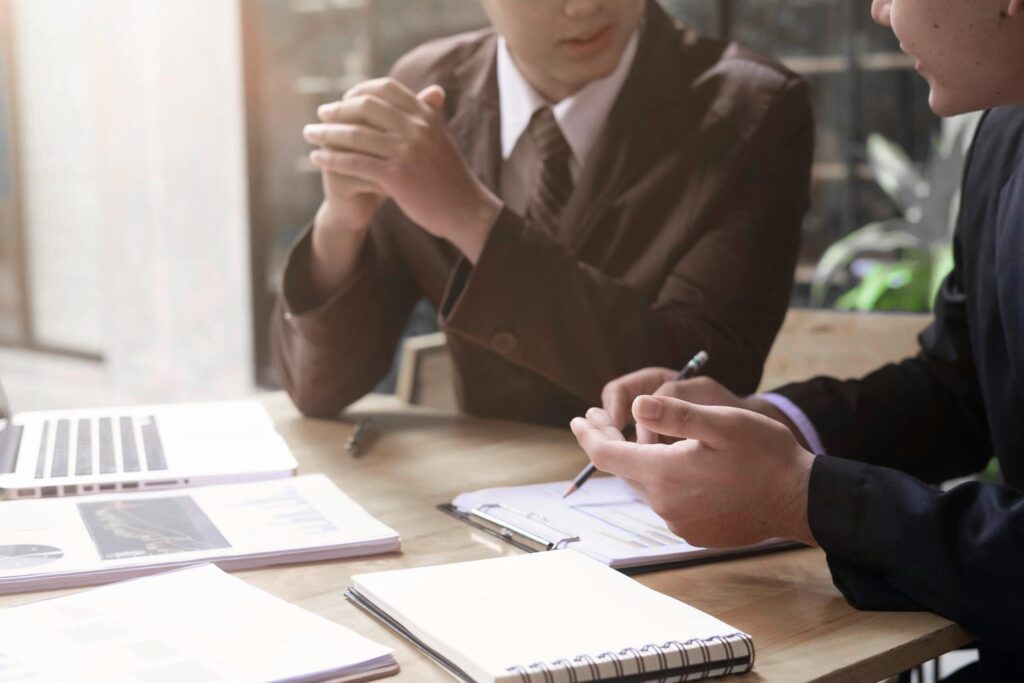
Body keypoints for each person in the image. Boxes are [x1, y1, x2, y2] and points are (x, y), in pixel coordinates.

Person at [571, 0, 1024, 678]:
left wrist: (800, 496)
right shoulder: (1004, 125)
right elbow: (956, 389)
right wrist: (768, 423)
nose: (878, 11)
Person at [271, 0, 813, 427]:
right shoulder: (431, 88)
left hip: (660, 511)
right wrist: (341, 222)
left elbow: (705, 377)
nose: (585, 7)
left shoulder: (755, 108)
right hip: (475, 497)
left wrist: (473, 219)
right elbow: (319, 389)